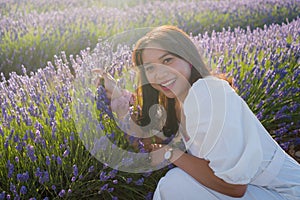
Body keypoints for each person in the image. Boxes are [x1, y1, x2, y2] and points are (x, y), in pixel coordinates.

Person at [94, 25, 300, 199]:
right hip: (259, 190)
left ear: (188, 58)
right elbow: (150, 146)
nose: (160, 74)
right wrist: (122, 111)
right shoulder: (176, 102)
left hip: (284, 192)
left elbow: (233, 187)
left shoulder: (208, 94)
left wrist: (171, 154)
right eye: (150, 68)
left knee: (175, 185)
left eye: (167, 60)